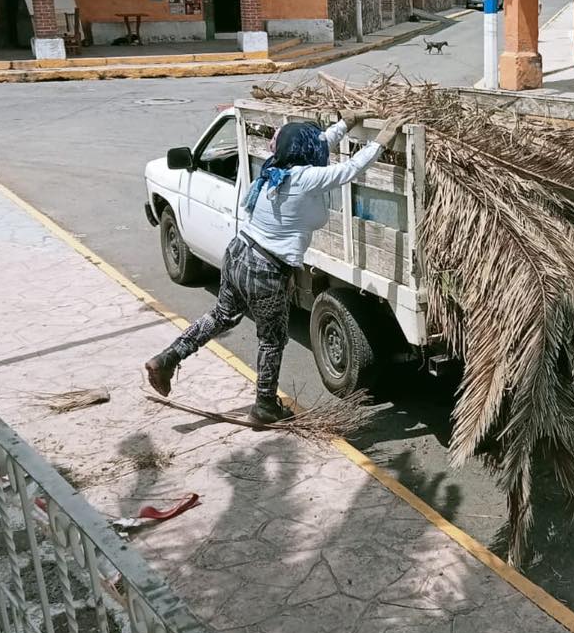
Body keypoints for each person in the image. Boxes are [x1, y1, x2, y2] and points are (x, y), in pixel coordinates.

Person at [145, 111, 402, 425]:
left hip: (239, 252)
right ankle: (265, 405)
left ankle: (168, 357)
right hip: (265, 270)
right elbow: (349, 169)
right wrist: (379, 143)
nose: (317, 148)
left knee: (220, 316)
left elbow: (319, 143)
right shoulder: (305, 178)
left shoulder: (275, 168)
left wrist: (346, 124)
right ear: (304, 152)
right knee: (272, 340)